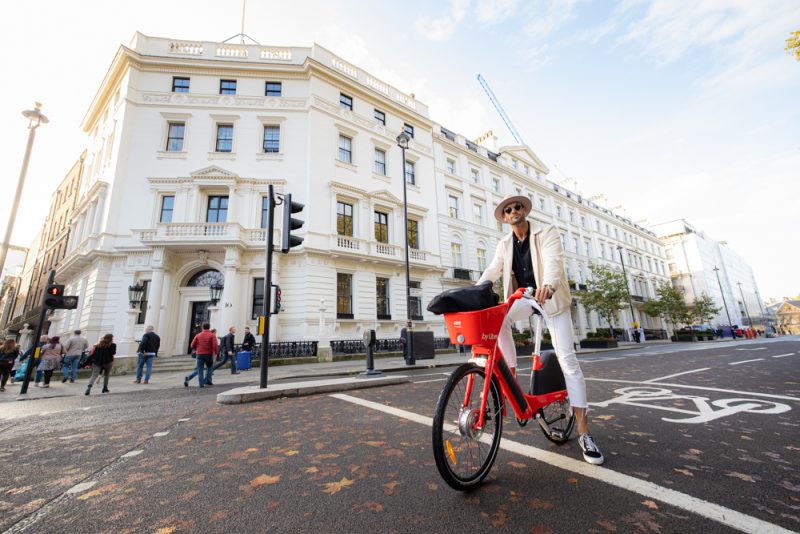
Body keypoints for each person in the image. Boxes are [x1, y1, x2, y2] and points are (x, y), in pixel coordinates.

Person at [476, 194, 604, 465]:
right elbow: (493, 269)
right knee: (498, 318)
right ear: (504, 217)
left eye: (518, 207)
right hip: (523, 298)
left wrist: (549, 283)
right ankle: (510, 374)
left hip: (551, 299)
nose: (514, 211)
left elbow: (554, 262)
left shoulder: (546, 232)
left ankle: (584, 432)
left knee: (567, 360)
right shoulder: (504, 243)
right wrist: (474, 290)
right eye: (508, 210)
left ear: (525, 210)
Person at [189, 323, 218, 388]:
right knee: (210, 367)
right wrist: (216, 353)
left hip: (199, 354)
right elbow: (215, 345)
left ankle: (201, 384)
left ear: (202, 327)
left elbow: (192, 345)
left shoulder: (198, 335)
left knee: (200, 369)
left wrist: (197, 350)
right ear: (209, 327)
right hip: (208, 354)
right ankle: (208, 381)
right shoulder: (212, 335)